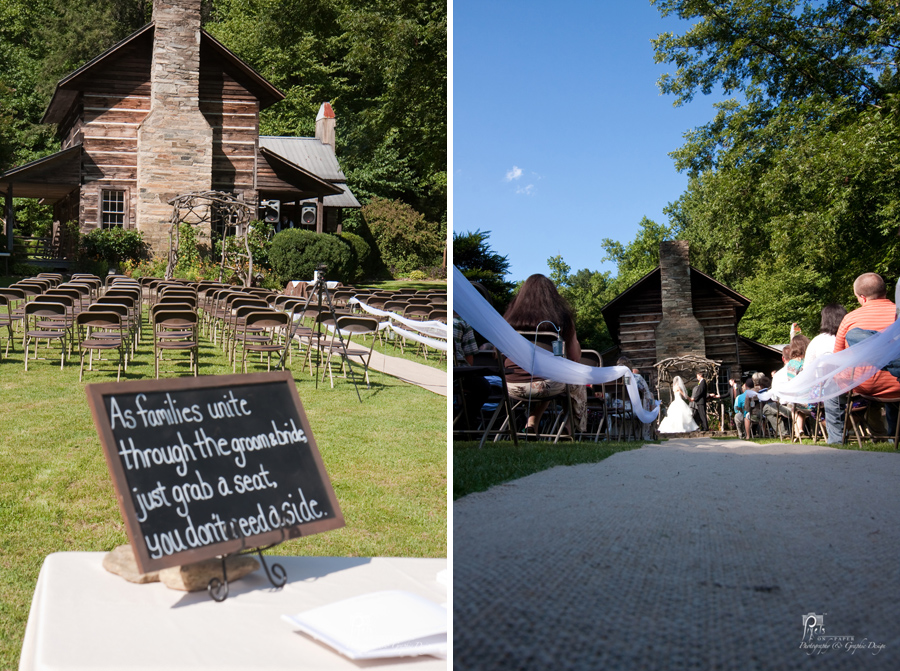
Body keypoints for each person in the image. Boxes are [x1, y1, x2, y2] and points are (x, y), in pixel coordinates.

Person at [502, 274, 587, 434]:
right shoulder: (561, 319)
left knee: (543, 377)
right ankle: (568, 428)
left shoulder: (509, 320)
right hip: (548, 385)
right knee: (576, 379)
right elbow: (575, 357)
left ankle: (531, 424)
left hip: (511, 385)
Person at [833, 273, 900, 436]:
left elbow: (838, 360)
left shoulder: (850, 319)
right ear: (885, 291)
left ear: (862, 298)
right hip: (897, 384)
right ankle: (893, 435)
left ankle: (835, 439)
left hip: (866, 386)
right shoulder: (897, 313)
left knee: (831, 387)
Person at [805, 304, 847, 443]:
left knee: (820, 399)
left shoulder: (818, 341)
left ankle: (836, 437)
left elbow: (808, 371)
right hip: (858, 391)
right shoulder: (850, 335)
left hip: (828, 392)